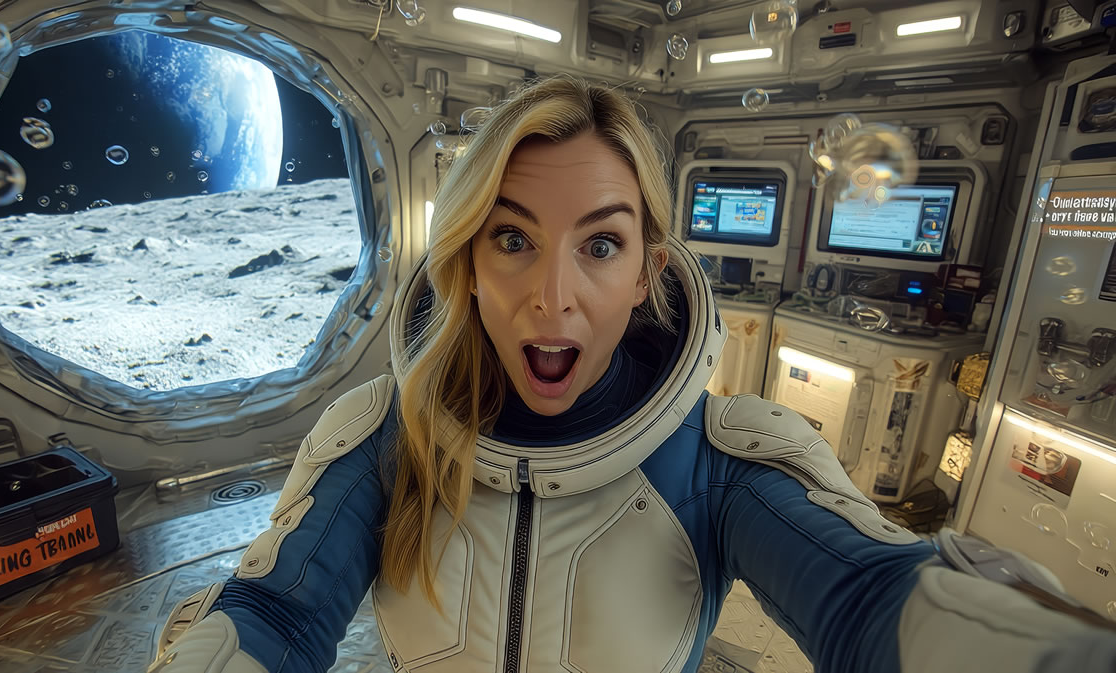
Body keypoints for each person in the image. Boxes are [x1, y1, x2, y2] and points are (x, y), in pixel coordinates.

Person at [148, 75, 1116, 673]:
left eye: (600, 245)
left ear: (651, 270)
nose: (553, 300)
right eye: (512, 238)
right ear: (465, 264)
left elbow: (869, 597)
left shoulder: (729, 457)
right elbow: (274, 612)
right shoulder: (384, 432)